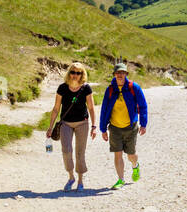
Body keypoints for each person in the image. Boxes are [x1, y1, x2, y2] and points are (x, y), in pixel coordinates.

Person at [48, 62, 96, 191]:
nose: (75, 75)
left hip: (82, 123)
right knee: (66, 150)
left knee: (80, 152)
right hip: (66, 123)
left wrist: (94, 126)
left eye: (78, 73)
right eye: (73, 72)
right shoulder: (62, 88)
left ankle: (80, 181)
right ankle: (71, 177)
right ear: (69, 73)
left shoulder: (86, 88)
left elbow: (91, 108)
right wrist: (50, 127)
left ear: (82, 75)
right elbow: (56, 109)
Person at [99, 62, 147, 189]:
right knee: (117, 154)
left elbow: (142, 106)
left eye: (123, 73)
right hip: (114, 127)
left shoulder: (134, 87)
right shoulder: (110, 90)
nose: (120, 75)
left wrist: (143, 124)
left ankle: (135, 166)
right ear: (114, 74)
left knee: (131, 155)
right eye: (118, 73)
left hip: (130, 127)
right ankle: (121, 180)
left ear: (126, 74)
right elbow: (104, 109)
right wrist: (103, 129)